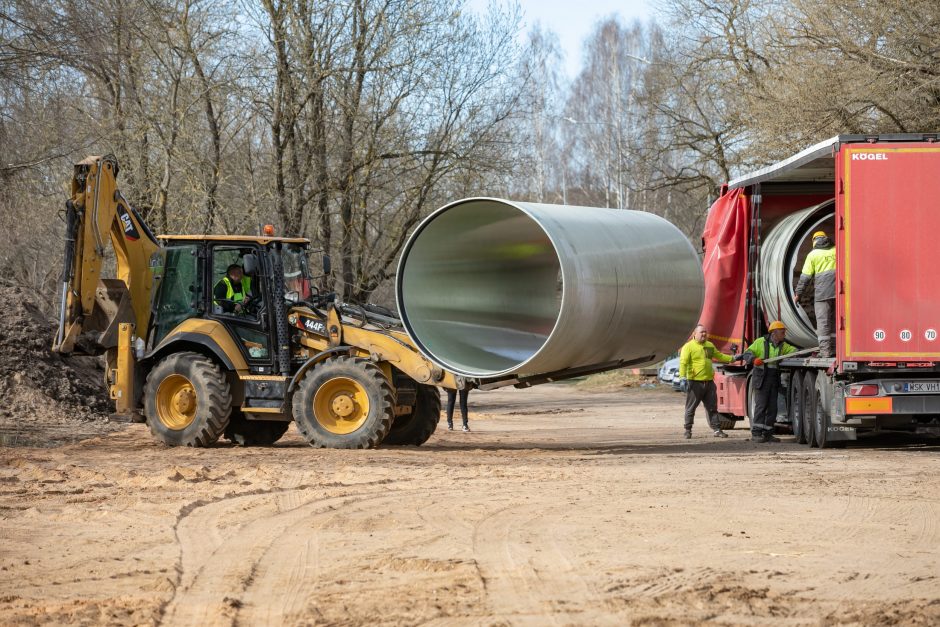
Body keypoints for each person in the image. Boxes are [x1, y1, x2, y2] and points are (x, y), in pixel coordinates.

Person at [739, 320, 798, 443]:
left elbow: (793, 350)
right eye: (782, 332)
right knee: (761, 406)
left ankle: (768, 433)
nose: (784, 334)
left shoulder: (783, 345)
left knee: (773, 408)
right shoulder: (761, 342)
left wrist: (795, 354)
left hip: (774, 378)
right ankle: (756, 433)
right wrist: (754, 359)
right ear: (774, 333)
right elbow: (747, 353)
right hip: (761, 378)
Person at [678, 324, 734, 439]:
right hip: (695, 383)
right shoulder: (688, 347)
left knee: (712, 408)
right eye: (701, 332)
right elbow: (683, 363)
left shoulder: (709, 345)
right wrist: (682, 378)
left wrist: (732, 358)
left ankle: (717, 430)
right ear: (695, 334)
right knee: (690, 408)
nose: (704, 334)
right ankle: (687, 430)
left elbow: (719, 356)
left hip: (709, 383)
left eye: (705, 332)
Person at [793, 230, 836, 357]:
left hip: (823, 294)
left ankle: (825, 352)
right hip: (841, 293)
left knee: (823, 322)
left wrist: (798, 294)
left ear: (814, 241)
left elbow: (805, 277)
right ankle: (837, 349)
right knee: (836, 321)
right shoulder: (837, 250)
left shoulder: (813, 255)